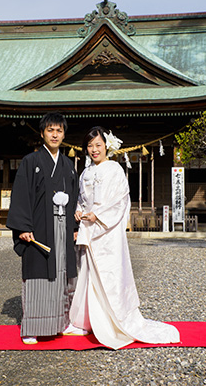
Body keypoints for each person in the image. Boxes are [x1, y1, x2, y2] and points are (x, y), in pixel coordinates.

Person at [65, 126, 180, 350]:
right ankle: (85, 321)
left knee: (110, 275)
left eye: (98, 145)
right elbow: (81, 198)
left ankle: (113, 321)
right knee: (88, 274)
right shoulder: (85, 173)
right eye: (90, 146)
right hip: (89, 229)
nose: (94, 150)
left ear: (106, 146)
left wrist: (98, 215)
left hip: (106, 233)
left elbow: (120, 201)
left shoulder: (115, 169)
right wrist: (78, 210)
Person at [6, 112, 80, 344]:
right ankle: (32, 327)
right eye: (50, 130)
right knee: (38, 276)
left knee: (64, 275)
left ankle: (63, 322)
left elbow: (76, 197)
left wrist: (76, 225)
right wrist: (23, 227)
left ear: (64, 134)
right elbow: (21, 196)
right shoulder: (31, 161)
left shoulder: (68, 165)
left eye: (59, 130)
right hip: (39, 228)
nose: (55, 134)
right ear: (42, 133)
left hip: (64, 227)